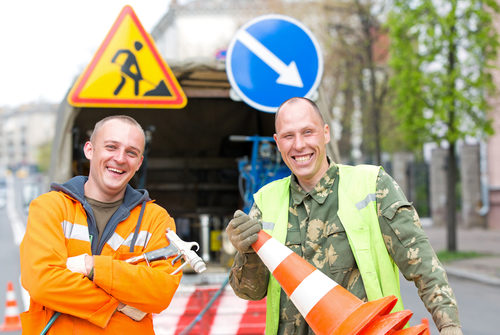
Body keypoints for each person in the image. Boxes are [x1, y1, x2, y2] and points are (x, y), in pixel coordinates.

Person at [226, 97, 462, 335]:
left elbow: (423, 266)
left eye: (308, 132)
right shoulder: (266, 202)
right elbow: (250, 292)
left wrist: (449, 325)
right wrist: (245, 252)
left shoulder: (373, 186)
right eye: (288, 136)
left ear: (325, 133)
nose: (298, 145)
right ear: (277, 142)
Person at [20, 115, 182, 334]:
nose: (120, 158)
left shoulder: (156, 219)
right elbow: (43, 283)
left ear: (139, 163)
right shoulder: (50, 207)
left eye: (131, 152)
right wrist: (120, 304)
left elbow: (160, 292)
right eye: (111, 147)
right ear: (89, 150)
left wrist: (92, 266)